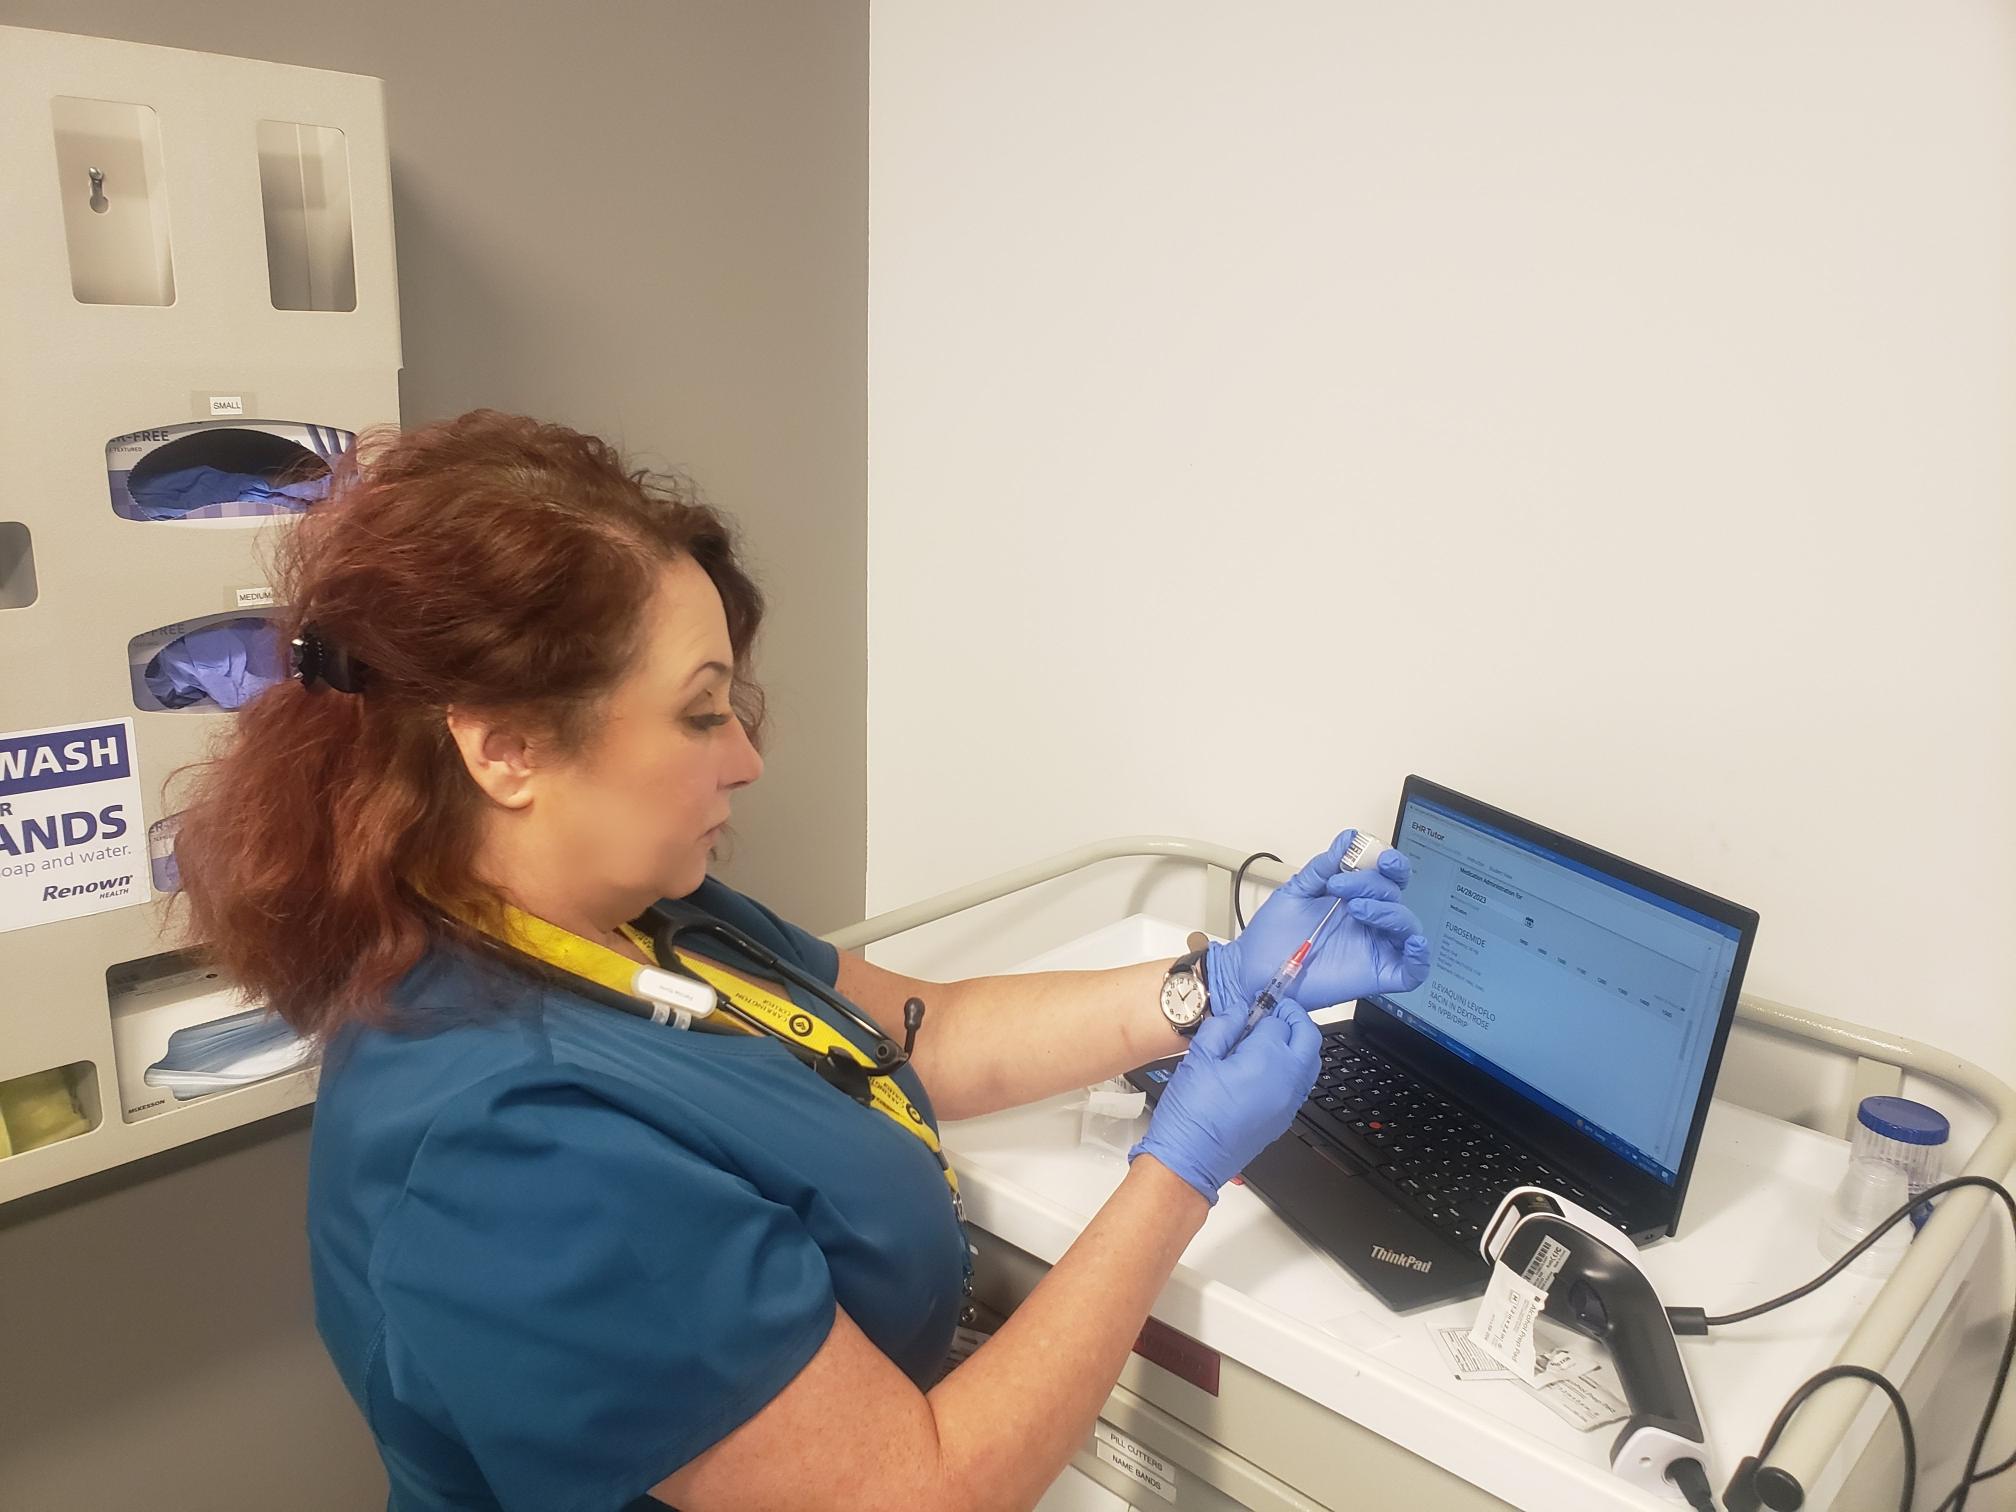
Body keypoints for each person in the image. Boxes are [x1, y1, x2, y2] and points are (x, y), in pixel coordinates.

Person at [172, 410, 1430, 1512]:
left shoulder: (631, 917)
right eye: (699, 712)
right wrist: (1182, 1168)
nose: (747, 760)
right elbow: (921, 1491)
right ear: (505, 749)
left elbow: (926, 1033)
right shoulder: (514, 1150)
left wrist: (1214, 986)